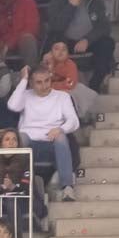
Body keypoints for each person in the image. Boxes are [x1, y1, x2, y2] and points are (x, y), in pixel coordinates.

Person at [8, 63, 78, 201]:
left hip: (52, 143)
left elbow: (74, 121)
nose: (44, 85)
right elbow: (12, 105)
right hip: (30, 142)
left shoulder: (62, 97)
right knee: (20, 137)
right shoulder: (26, 96)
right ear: (31, 83)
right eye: (39, 82)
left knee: (61, 137)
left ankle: (67, 187)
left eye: (47, 80)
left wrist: (60, 129)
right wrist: (23, 80)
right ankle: (17, 184)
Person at [46, 0, 117, 90]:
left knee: (107, 43)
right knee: (52, 43)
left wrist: (87, 39)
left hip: (89, 41)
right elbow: (56, 27)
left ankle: (95, 83)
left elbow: (104, 26)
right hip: (66, 41)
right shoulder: (57, 1)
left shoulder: (95, 0)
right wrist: (71, 6)